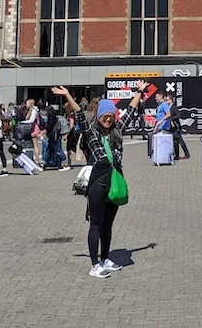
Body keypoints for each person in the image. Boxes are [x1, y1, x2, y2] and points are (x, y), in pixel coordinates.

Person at [52, 81, 147, 278]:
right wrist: (68, 95)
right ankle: (95, 264)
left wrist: (139, 92)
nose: (108, 120)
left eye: (111, 117)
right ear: (100, 116)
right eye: (105, 117)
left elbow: (129, 111)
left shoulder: (117, 131)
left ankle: (105, 258)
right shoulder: (91, 131)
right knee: (96, 223)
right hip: (98, 181)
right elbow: (79, 113)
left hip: (114, 180)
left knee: (108, 224)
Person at [166, 93, 190, 160]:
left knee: (180, 140)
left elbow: (178, 115)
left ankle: (186, 154)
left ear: (171, 100)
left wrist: (172, 118)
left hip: (175, 127)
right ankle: (177, 155)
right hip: (171, 127)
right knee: (175, 141)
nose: (166, 102)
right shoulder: (168, 107)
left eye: (167, 100)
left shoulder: (174, 107)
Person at [23, 99, 42, 163]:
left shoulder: (34, 110)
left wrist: (23, 122)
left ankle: (37, 159)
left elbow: (32, 120)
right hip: (30, 128)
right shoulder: (30, 110)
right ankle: (32, 158)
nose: (26, 105)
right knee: (31, 144)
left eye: (27, 103)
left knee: (35, 144)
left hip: (34, 128)